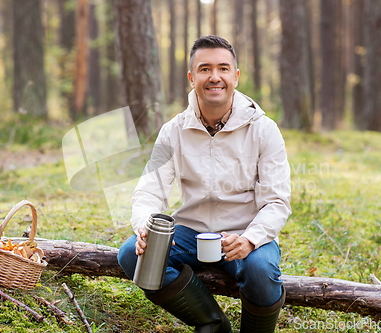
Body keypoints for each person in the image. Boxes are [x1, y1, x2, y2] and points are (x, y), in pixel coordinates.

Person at [118, 35, 291, 333]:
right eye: (205, 69)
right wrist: (145, 225)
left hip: (244, 233)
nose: (215, 77)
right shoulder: (173, 130)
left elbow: (277, 201)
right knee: (131, 255)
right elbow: (150, 189)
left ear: (235, 76)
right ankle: (212, 324)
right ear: (191, 77)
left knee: (261, 269)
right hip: (190, 234)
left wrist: (251, 239)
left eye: (223, 68)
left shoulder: (264, 130)